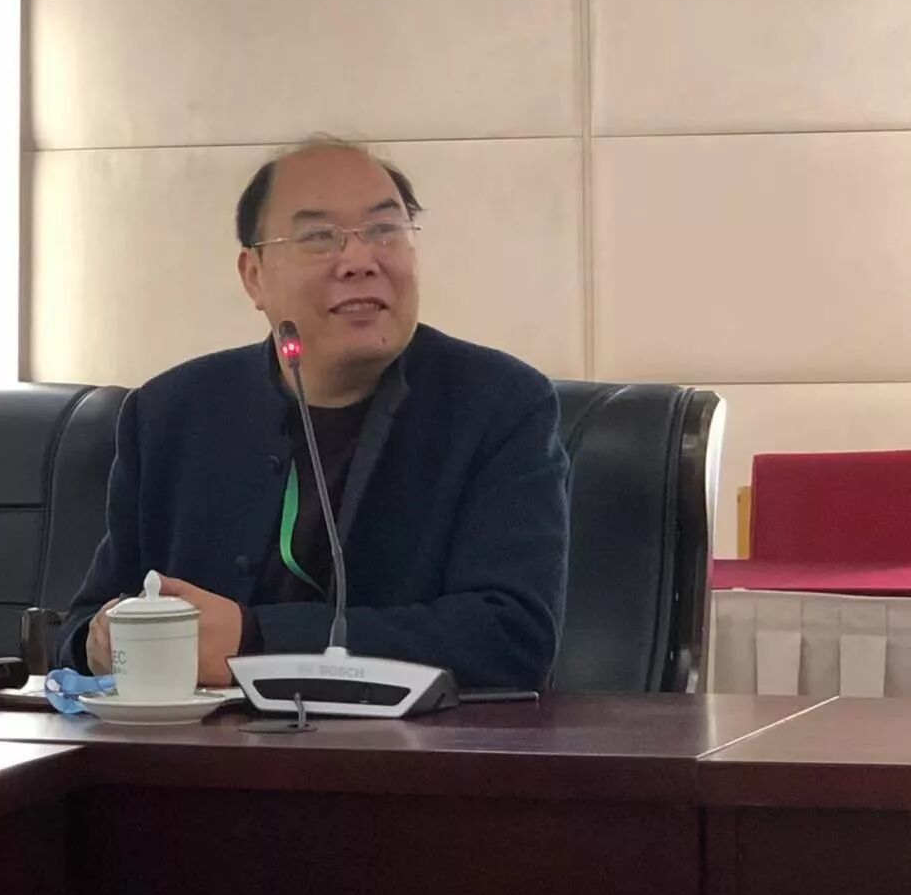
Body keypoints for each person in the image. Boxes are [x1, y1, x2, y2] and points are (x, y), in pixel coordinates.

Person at [57, 137, 569, 690]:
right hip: (196, 742)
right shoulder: (169, 414)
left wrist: (256, 641)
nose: (360, 261)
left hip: (412, 744)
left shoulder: (499, 406)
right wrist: (100, 641)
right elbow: (81, 630)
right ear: (254, 275)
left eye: (385, 230)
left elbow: (511, 638)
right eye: (320, 237)